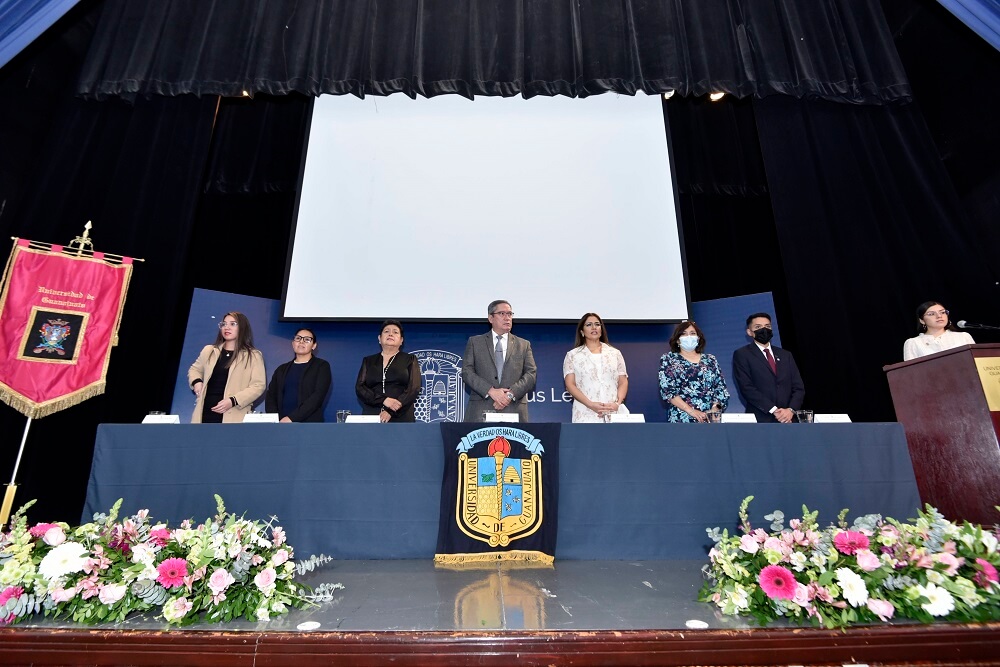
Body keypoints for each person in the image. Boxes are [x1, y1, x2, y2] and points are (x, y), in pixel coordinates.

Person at [462, 300, 537, 422]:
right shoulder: (475, 342)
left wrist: (509, 395)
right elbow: (467, 372)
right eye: (502, 313)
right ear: (491, 318)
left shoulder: (524, 344)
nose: (507, 318)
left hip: (513, 408)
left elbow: (531, 374)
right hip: (481, 409)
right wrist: (490, 391)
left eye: (510, 314)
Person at [188, 311, 266, 423]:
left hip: (234, 415)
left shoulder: (253, 355)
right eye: (224, 324)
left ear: (242, 328)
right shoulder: (209, 350)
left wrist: (233, 401)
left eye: (233, 324)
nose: (227, 327)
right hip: (204, 413)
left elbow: (258, 385)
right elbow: (195, 369)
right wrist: (196, 382)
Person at [732, 312, 805, 424]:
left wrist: (790, 410)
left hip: (789, 419)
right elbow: (746, 387)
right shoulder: (742, 354)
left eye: (767, 326)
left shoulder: (786, 355)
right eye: (758, 327)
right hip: (761, 418)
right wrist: (774, 410)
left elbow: (798, 387)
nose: (764, 329)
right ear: (749, 332)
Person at [562, 313, 629, 422]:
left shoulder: (615, 353)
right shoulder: (572, 355)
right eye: (589, 324)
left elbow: (623, 381)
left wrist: (617, 403)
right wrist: (591, 405)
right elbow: (570, 385)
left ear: (601, 329)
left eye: (597, 324)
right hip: (585, 413)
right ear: (582, 331)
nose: (594, 327)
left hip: (613, 412)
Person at [658, 321, 729, 423]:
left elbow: (721, 389)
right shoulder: (669, 359)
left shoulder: (710, 359)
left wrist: (714, 410)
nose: (689, 337)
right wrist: (691, 411)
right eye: (684, 334)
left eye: (692, 333)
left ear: (698, 338)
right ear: (677, 340)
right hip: (682, 417)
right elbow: (668, 391)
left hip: (710, 420)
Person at [355, 320, 421, 422]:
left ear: (401, 340)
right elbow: (360, 387)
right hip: (372, 414)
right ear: (379, 338)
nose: (390, 334)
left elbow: (414, 387)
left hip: (400, 414)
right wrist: (384, 400)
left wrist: (391, 411)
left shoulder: (410, 359)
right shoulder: (368, 360)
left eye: (395, 332)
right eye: (386, 331)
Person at [264, 328, 332, 422]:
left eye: (307, 339)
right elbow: (271, 396)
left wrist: (292, 418)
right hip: (281, 425)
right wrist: (276, 419)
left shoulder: (321, 366)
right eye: (298, 338)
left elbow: (317, 397)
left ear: (314, 346)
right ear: (293, 343)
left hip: (309, 425)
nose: (301, 342)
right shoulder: (281, 369)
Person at [902, 301, 975, 361]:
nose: (939, 316)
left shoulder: (963, 336)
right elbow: (911, 373)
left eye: (942, 312)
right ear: (922, 320)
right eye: (931, 314)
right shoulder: (913, 343)